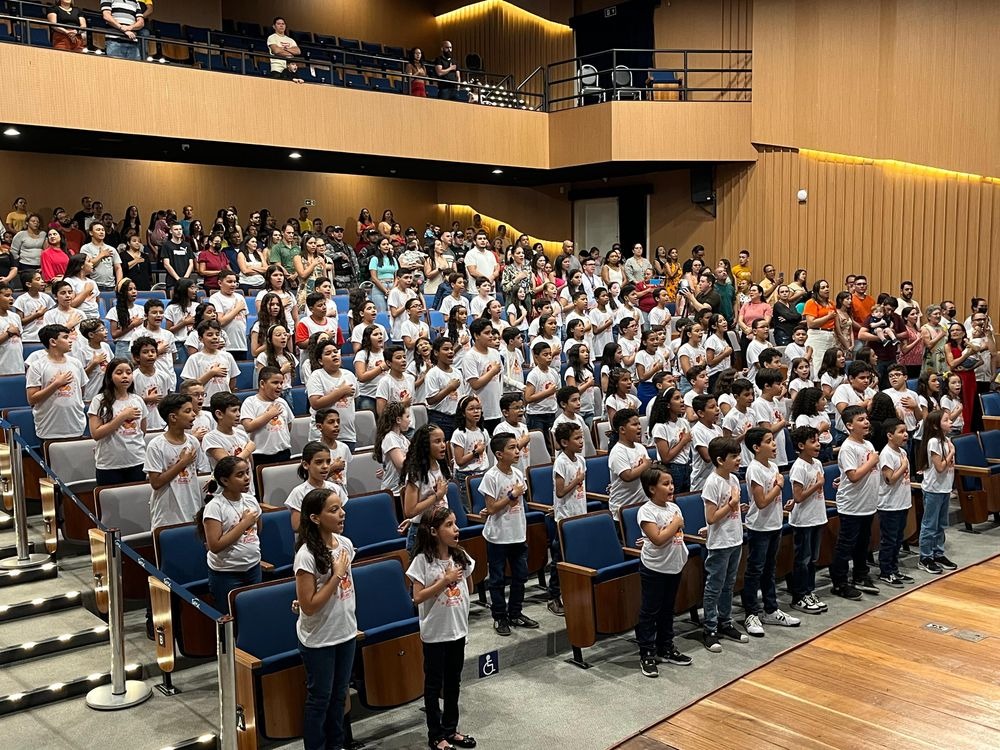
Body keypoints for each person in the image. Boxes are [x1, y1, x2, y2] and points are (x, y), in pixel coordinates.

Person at [406, 506, 477, 750]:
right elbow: (417, 597)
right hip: (435, 633)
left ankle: (451, 728)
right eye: (449, 525)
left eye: (455, 523)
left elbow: (470, 587)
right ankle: (436, 735)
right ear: (434, 531)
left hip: (457, 630)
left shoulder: (461, 556)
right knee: (434, 684)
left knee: (453, 682)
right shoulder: (422, 561)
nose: (456, 529)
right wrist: (444, 582)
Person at [293, 487, 356, 750]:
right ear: (315, 518)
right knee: (320, 698)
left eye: (340, 508)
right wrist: (336, 576)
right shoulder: (306, 555)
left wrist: (338, 577)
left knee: (340, 695)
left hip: (346, 631)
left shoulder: (345, 544)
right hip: (319, 638)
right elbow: (309, 607)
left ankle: (337, 745)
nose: (342, 513)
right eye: (333, 510)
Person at [635, 462, 692, 677]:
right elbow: (657, 539)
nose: (671, 487)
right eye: (665, 484)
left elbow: (678, 530)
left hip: (674, 565)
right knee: (651, 611)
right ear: (652, 488)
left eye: (672, 483)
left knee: (668, 609)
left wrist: (675, 524)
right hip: (655, 568)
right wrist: (675, 524)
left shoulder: (674, 508)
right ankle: (647, 652)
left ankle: (666, 647)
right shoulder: (646, 511)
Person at [741, 428, 800, 637]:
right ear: (757, 448)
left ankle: (771, 609)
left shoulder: (773, 466)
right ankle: (751, 612)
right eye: (769, 441)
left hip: (775, 524)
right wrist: (779, 486)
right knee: (755, 570)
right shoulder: (754, 469)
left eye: (773, 440)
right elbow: (762, 501)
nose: (774, 444)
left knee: (770, 569)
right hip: (759, 527)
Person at [480, 434, 537, 636]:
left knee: (520, 576)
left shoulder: (518, 473)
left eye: (517, 447)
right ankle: (499, 617)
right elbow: (492, 508)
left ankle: (515, 613)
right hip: (498, 536)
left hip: (517, 532)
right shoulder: (491, 477)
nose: (517, 451)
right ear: (498, 454)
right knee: (497, 580)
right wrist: (512, 495)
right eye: (512, 448)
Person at [701, 436, 749, 653]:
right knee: (715, 586)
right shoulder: (712, 483)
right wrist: (732, 505)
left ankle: (725, 621)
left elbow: (731, 509)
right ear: (720, 460)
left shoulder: (732, 479)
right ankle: (709, 628)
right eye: (734, 456)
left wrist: (738, 508)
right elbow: (711, 518)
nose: (739, 459)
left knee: (729, 584)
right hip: (720, 542)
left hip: (735, 537)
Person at [829, 405, 880, 600]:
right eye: (860, 420)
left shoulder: (867, 445)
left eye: (866, 418)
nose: (866, 422)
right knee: (846, 545)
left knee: (863, 543)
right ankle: (840, 582)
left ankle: (860, 575)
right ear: (849, 425)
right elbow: (853, 476)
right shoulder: (848, 448)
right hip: (852, 504)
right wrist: (872, 461)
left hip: (867, 503)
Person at [198, 457, 261, 614]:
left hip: (253, 567)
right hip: (226, 574)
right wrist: (244, 523)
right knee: (231, 618)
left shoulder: (251, 500)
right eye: (240, 475)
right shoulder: (215, 507)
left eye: (247, 472)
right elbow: (215, 546)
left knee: (253, 614)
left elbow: (257, 531)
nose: (247, 478)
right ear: (225, 481)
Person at [145, 393, 209, 530]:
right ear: (173, 417)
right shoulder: (156, 445)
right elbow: (156, 483)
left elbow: (202, 471)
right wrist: (182, 463)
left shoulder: (193, 441)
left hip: (192, 506)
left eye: (192, 410)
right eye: (187, 411)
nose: (193, 415)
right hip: (167, 514)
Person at [787, 426, 829, 614]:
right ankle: (799, 595)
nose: (818, 444)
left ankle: (809, 591)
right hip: (803, 520)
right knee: (802, 560)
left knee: (812, 559)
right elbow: (798, 497)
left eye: (818, 440)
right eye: (813, 441)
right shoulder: (798, 467)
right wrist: (818, 484)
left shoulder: (817, 464)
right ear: (801, 445)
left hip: (817, 516)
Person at [87, 358, 146, 485]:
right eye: (119, 373)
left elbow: (142, 430)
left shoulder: (138, 400)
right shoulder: (99, 401)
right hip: (109, 464)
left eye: (128, 372)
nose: (125, 376)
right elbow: (96, 434)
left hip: (137, 460)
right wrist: (122, 417)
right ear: (110, 376)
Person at [27, 324, 86, 441]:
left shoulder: (76, 363)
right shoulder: (37, 366)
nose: (70, 341)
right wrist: (56, 384)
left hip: (75, 424)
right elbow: (32, 399)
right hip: (49, 428)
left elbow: (81, 391)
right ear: (53, 342)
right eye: (65, 337)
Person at [917, 410, 957, 575]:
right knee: (930, 525)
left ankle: (938, 553)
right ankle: (925, 557)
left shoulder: (946, 440)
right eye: (946, 420)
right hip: (934, 489)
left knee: (941, 524)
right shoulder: (934, 442)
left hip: (945, 487)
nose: (951, 423)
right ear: (935, 425)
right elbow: (940, 467)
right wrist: (952, 453)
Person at [875, 418, 913, 589]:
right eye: (901, 432)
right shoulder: (887, 454)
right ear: (890, 435)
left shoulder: (901, 452)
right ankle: (885, 571)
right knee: (889, 540)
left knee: (898, 538)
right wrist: (903, 466)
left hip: (902, 502)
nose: (905, 435)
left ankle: (894, 568)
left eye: (906, 431)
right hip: (889, 505)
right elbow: (889, 479)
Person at [306, 342, 358, 452]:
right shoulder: (317, 376)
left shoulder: (349, 375)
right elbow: (315, 403)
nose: (334, 355)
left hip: (347, 434)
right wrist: (340, 392)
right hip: (321, 437)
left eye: (335, 352)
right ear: (320, 361)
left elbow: (355, 399)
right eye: (328, 353)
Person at [803, 279, 837, 373]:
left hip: (831, 335)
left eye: (827, 287)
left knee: (830, 363)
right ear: (817, 290)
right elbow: (811, 323)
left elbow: (835, 323)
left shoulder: (831, 303)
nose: (826, 289)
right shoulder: (811, 302)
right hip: (817, 335)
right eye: (823, 288)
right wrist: (828, 317)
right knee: (818, 363)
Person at [0, 284, 23, 375]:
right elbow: (12, 332)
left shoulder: (15, 317)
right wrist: (9, 333)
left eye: (11, 295)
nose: (11, 299)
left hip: (18, 366)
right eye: (7, 295)